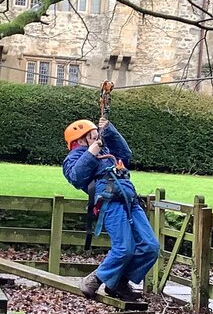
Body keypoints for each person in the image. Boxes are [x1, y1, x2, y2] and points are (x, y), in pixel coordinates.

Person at [61, 117, 160, 301]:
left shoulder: (107, 152)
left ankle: (118, 282)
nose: (97, 137)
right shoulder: (74, 157)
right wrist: (92, 152)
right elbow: (76, 177)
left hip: (130, 200)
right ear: (80, 140)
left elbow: (125, 154)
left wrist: (109, 129)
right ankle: (95, 279)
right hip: (109, 203)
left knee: (150, 247)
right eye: (92, 136)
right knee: (124, 248)